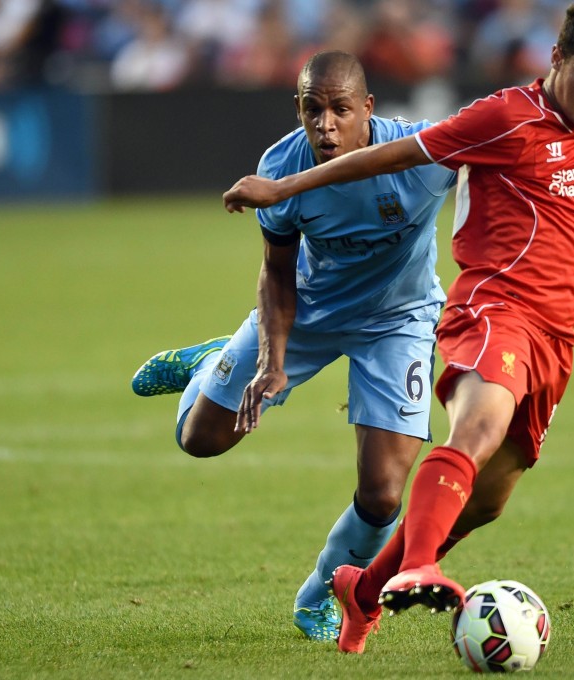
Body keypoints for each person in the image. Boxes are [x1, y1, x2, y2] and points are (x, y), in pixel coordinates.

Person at [223, 0, 574, 655]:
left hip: (556, 334)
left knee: (486, 500)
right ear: (555, 58)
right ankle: (420, 566)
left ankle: (363, 590)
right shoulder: (502, 116)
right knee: (478, 430)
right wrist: (284, 189)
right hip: (497, 310)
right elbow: (390, 157)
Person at [130, 50, 458, 642]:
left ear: (369, 110)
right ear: (299, 109)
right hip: (305, 309)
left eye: (339, 110)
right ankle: (212, 361)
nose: (325, 125)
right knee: (198, 439)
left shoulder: (424, 154)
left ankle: (320, 593)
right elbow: (276, 272)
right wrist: (272, 362)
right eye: (313, 110)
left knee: (384, 493)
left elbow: (526, 143)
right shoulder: (280, 165)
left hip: (398, 320)